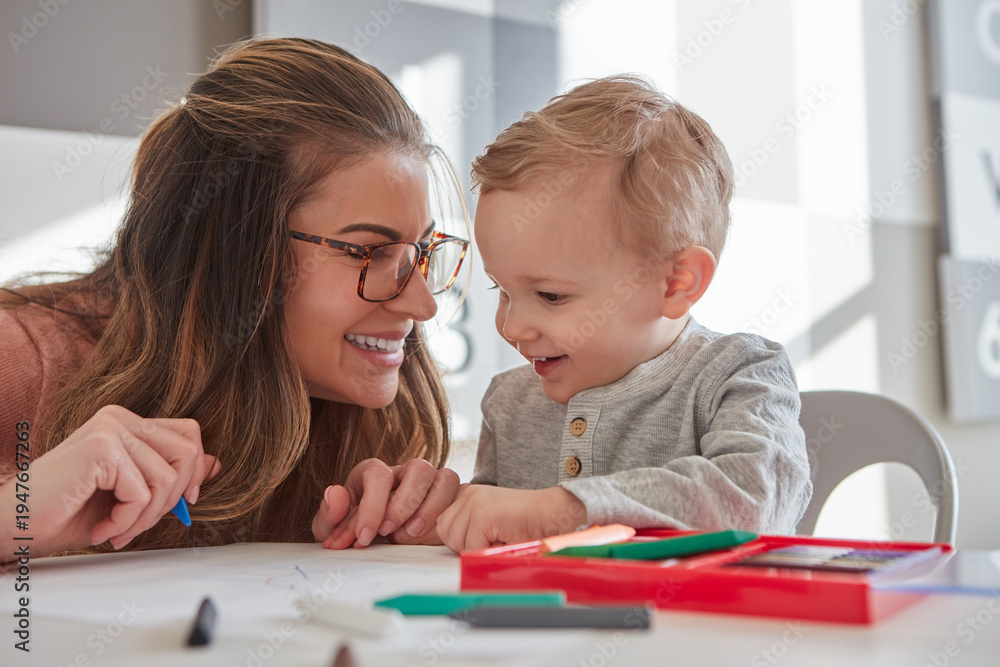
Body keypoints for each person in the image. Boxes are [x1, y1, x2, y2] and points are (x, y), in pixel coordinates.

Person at [0, 37, 468, 562]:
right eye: (371, 252)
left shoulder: (374, 420)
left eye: (419, 252)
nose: (422, 305)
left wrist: (389, 538)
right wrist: (13, 516)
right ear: (239, 252)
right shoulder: (23, 360)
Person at [435, 76, 812, 552]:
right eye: (502, 291)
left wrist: (562, 510)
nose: (511, 327)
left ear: (676, 282)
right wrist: (431, 519)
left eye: (551, 296)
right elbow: (496, 530)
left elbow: (754, 501)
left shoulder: (739, 373)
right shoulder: (510, 403)